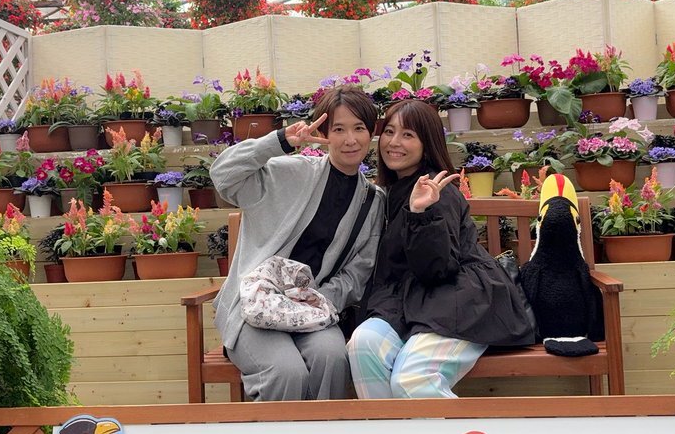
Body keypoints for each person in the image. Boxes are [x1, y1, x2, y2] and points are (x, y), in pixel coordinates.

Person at [348, 99, 536, 398]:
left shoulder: (435, 192)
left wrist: (420, 215)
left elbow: (437, 269)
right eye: (389, 132)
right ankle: (391, 428)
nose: (394, 142)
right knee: (363, 344)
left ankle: (462, 432)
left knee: (412, 380)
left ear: (427, 144)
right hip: (411, 302)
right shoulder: (391, 192)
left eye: (408, 135)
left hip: (459, 301)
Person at [210, 85, 384, 401]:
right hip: (255, 305)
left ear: (371, 132)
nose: (350, 139)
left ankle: (324, 433)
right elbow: (223, 174)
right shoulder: (291, 173)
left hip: (312, 310)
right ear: (324, 134)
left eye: (359, 128)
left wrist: (320, 299)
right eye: (339, 129)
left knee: (332, 357)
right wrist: (278, 142)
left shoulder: (372, 200)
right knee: (286, 371)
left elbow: (360, 270)